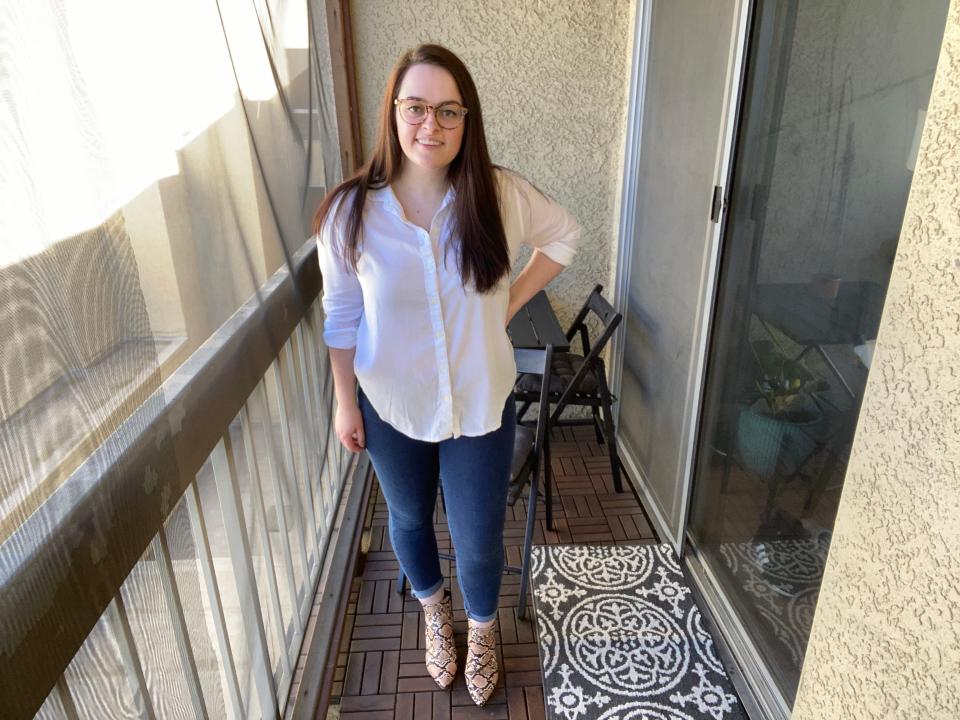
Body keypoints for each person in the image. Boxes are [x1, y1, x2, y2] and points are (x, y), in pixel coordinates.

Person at [314, 43, 579, 706]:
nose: (429, 124)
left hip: (479, 401)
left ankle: (483, 628)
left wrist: (512, 299)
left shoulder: (500, 193)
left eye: (447, 111)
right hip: (390, 402)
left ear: (468, 119)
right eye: (415, 107)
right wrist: (345, 403)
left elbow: (565, 238)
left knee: (478, 531)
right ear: (394, 113)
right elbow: (341, 316)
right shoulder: (351, 212)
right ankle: (435, 612)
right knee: (407, 516)